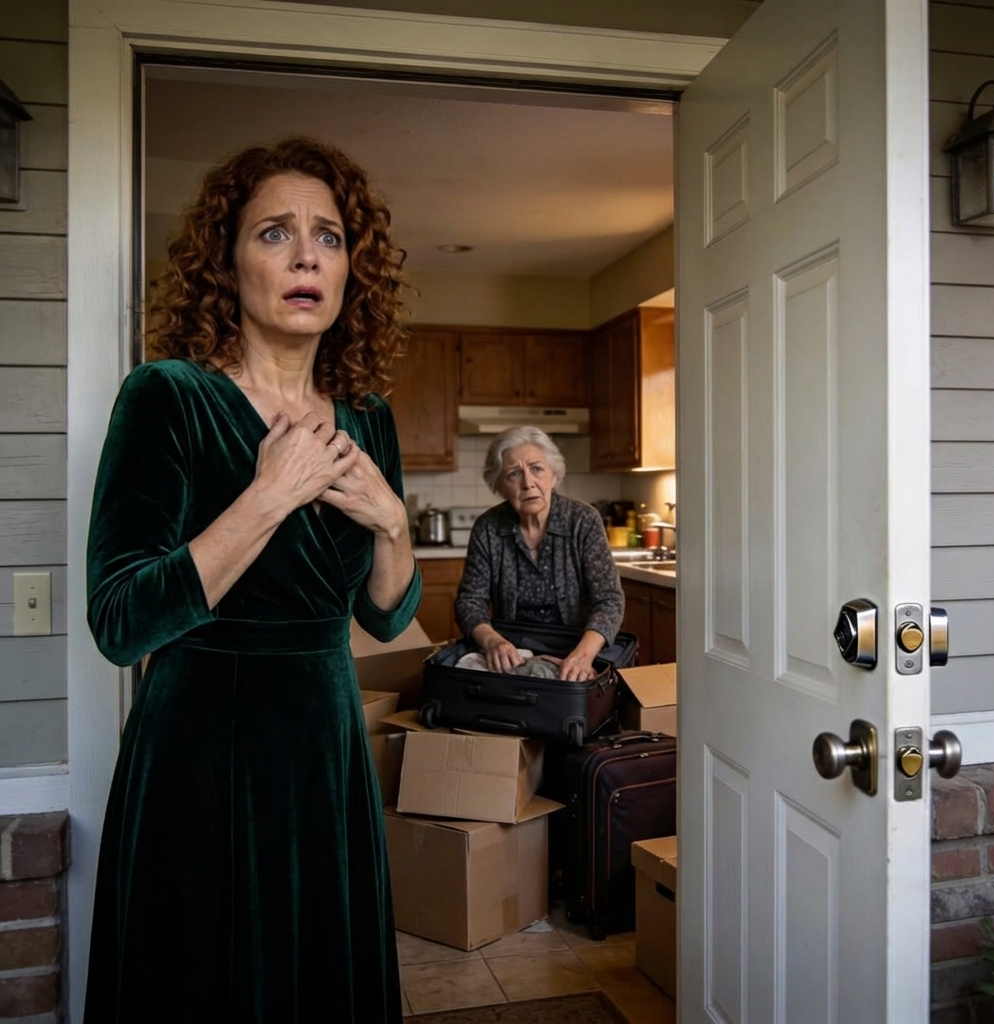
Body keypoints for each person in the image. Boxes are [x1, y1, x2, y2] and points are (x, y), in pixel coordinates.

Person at [83, 136, 419, 1023]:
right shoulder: (167, 397)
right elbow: (120, 620)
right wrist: (266, 498)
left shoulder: (369, 420)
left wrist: (391, 522)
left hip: (325, 751)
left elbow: (384, 617)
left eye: (329, 236)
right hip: (200, 753)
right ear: (225, 264)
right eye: (274, 233)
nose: (307, 255)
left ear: (354, 270)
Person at [454, 426, 624, 681]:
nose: (528, 483)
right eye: (514, 474)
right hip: (512, 651)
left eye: (537, 469)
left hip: (577, 644)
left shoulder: (583, 520)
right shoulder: (488, 527)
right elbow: (469, 601)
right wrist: (492, 642)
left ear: (554, 475)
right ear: (499, 485)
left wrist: (583, 655)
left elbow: (609, 601)